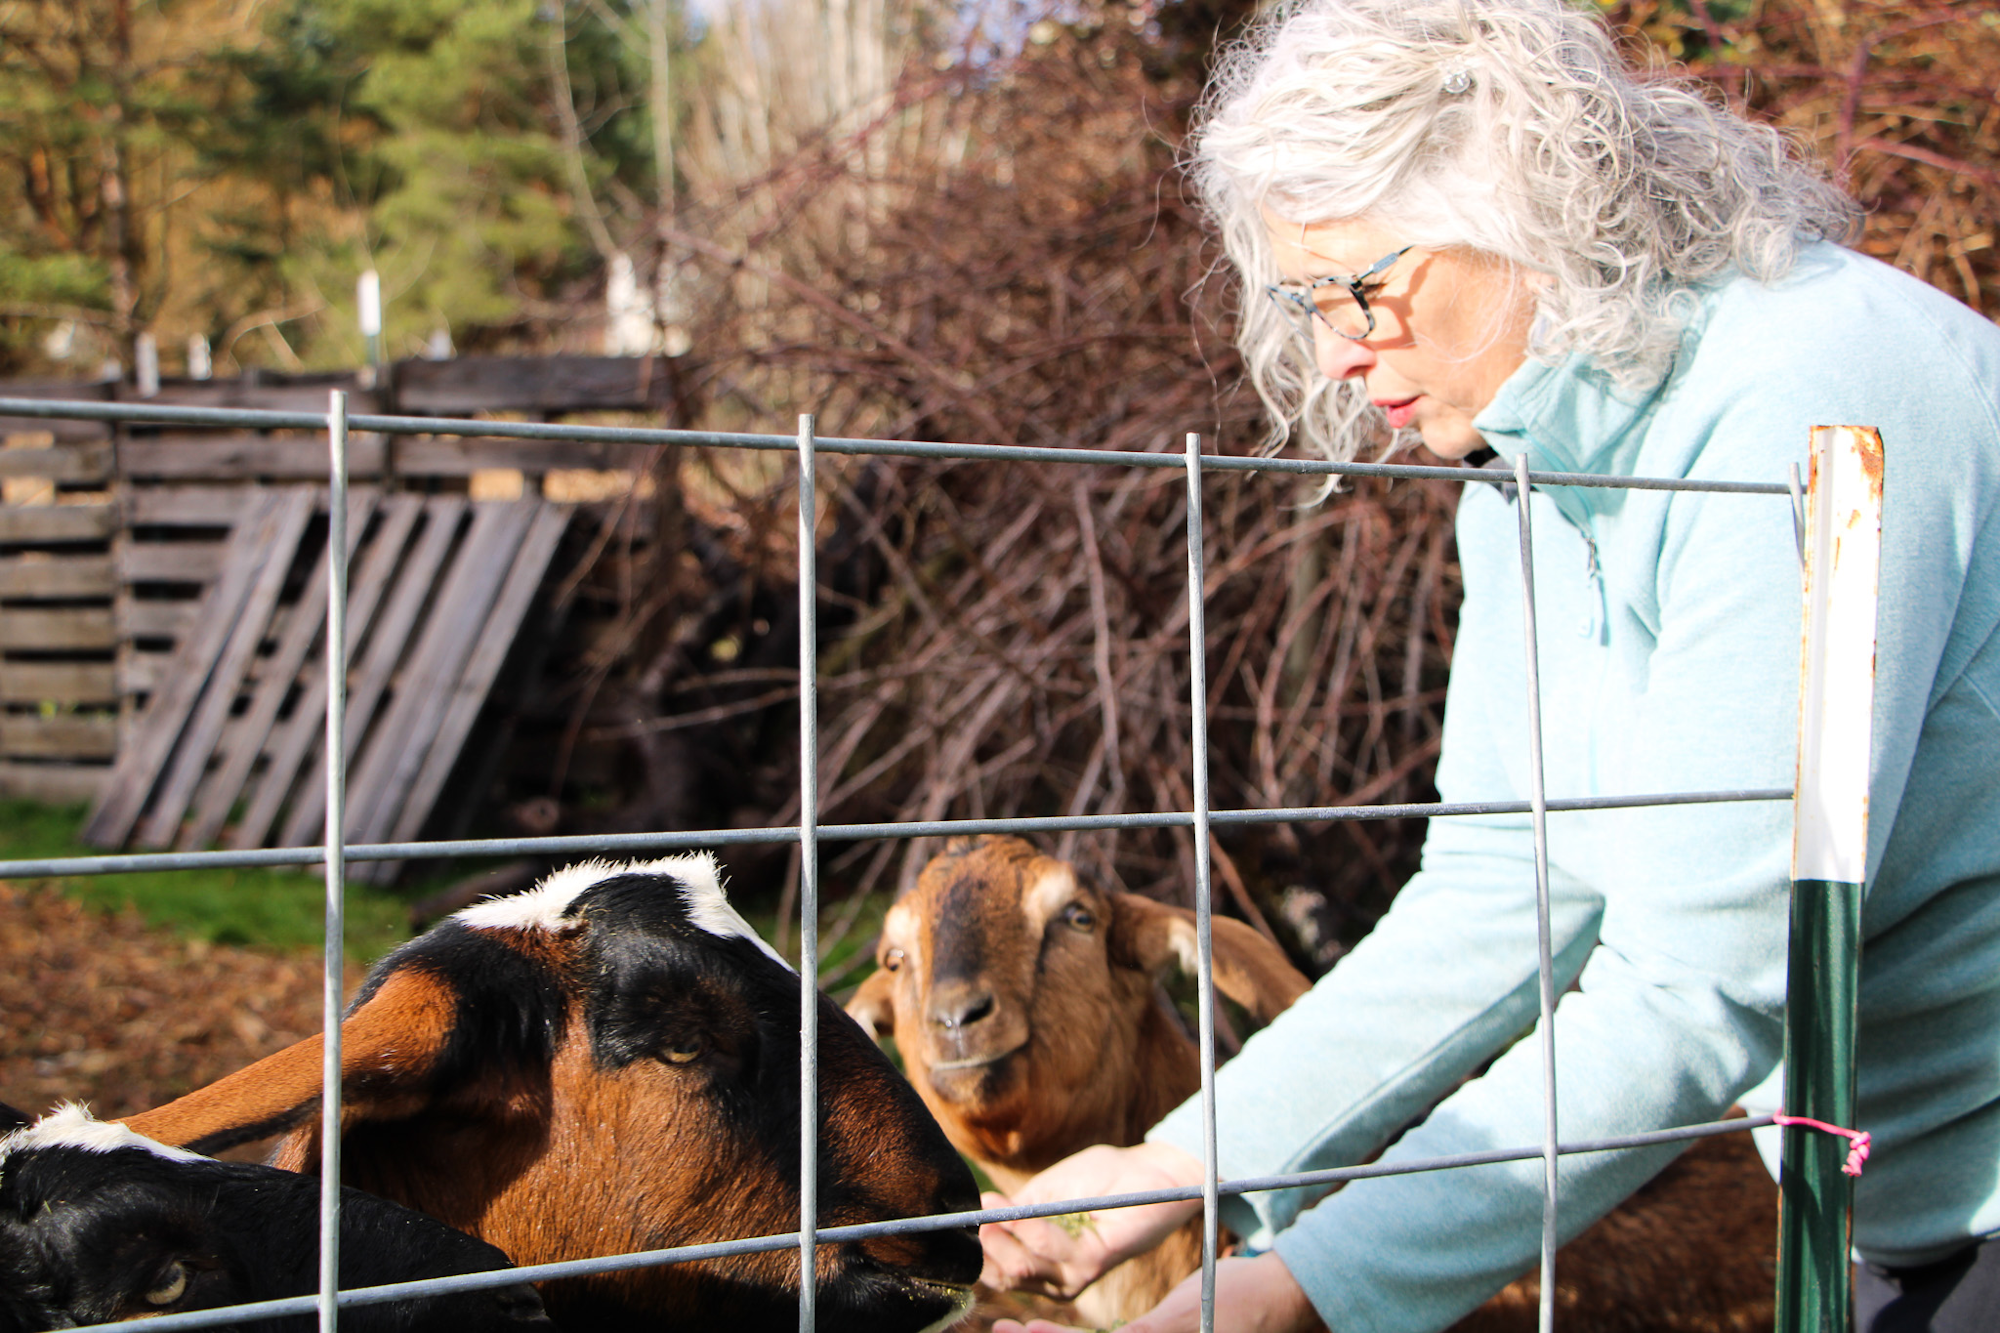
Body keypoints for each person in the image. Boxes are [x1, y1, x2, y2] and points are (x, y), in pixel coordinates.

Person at [977, 1, 2000, 1330]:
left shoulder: (1802, 401)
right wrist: (1188, 1160)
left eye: (1361, 285)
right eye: (1304, 300)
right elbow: (1498, 894)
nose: (1340, 348)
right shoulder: (1531, 477)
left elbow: (1696, 991)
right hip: (1896, 1203)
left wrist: (1313, 1285)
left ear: (1528, 204)